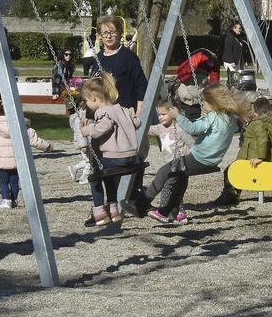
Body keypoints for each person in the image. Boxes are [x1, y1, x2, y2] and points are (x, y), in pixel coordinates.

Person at [125, 85, 250, 223]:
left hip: (199, 158)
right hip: (212, 161)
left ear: (214, 103)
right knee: (179, 177)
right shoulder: (230, 119)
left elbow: (192, 129)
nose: (202, 105)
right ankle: (166, 212)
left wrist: (177, 116)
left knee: (164, 171)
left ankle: (140, 205)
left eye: (205, 102)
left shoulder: (213, 117)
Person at [79, 72, 141, 228]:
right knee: (107, 176)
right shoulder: (122, 109)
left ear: (94, 98)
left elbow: (103, 128)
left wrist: (86, 130)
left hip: (115, 157)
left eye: (86, 101)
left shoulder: (103, 112)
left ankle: (99, 212)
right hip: (131, 157)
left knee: (94, 176)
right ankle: (113, 209)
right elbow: (137, 122)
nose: (87, 105)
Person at [130, 101, 194, 221]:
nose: (160, 117)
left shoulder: (179, 129)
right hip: (168, 166)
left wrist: (192, 158)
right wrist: (133, 123)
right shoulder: (159, 128)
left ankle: (164, 212)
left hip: (181, 165)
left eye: (164, 114)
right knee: (176, 190)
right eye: (159, 115)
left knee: (170, 189)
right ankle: (180, 212)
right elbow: (146, 129)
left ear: (173, 113)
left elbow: (192, 143)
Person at [0, 98, 53, 209]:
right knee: (14, 181)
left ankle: (6, 200)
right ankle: (14, 200)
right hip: (18, 160)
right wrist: (48, 147)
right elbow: (35, 140)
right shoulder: (23, 127)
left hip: (1, 161)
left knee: (3, 182)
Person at [95, 14, 148, 118]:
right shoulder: (98, 57)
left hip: (124, 115)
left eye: (112, 32)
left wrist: (139, 113)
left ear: (120, 33)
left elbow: (141, 86)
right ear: (100, 35)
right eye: (105, 33)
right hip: (101, 115)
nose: (109, 36)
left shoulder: (128, 56)